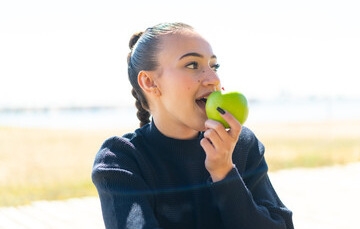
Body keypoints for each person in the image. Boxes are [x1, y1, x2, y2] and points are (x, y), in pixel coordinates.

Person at [92, 22, 294, 229]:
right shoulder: (121, 160)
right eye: (192, 65)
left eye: (214, 66)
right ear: (150, 82)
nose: (213, 79)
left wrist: (224, 173)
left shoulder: (241, 144)